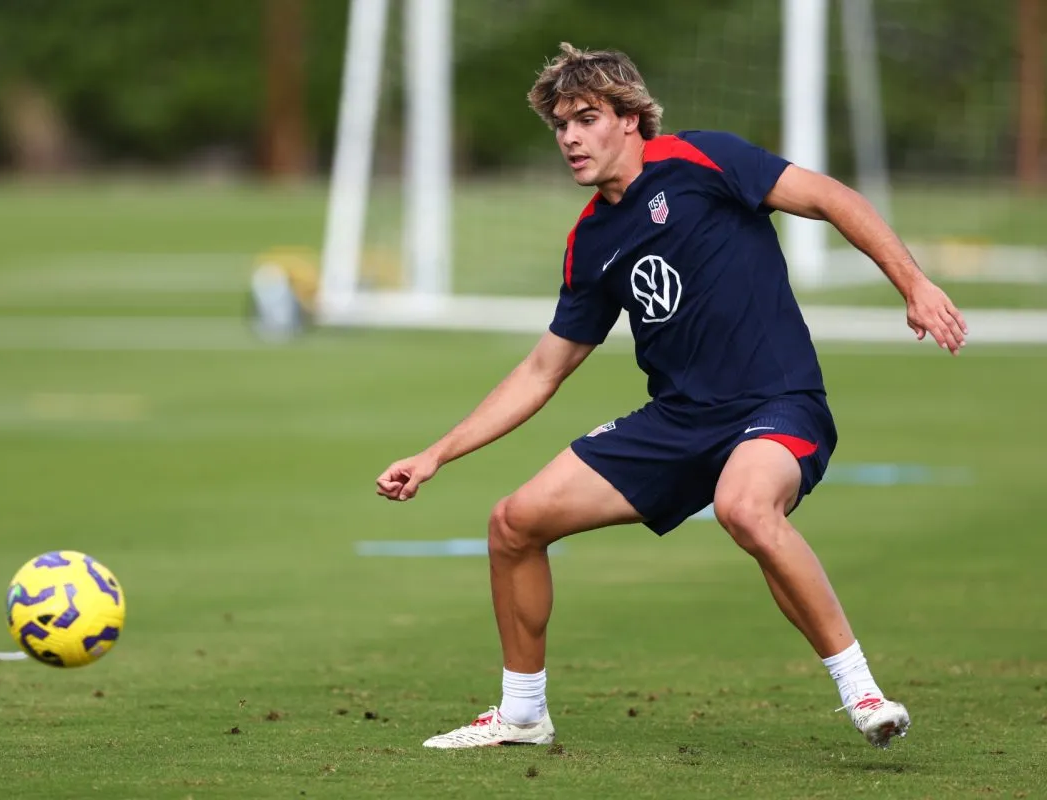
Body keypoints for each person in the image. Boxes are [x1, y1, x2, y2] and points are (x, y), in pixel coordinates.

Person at [375, 42, 967, 750]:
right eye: (559, 126)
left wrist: (914, 283)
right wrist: (437, 454)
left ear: (629, 118)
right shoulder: (589, 241)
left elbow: (832, 198)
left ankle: (862, 692)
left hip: (775, 404)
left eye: (585, 118)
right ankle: (523, 714)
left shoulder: (701, 162)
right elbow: (542, 371)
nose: (568, 137)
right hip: (679, 422)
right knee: (514, 524)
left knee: (744, 506)